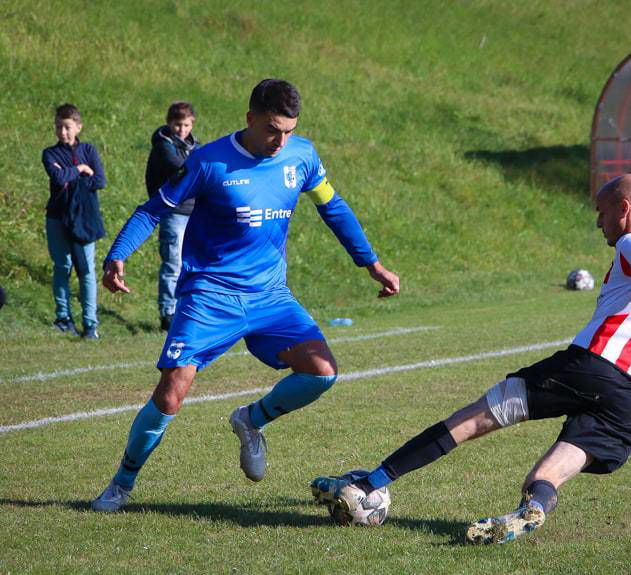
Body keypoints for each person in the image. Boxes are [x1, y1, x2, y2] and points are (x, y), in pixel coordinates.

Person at [311, 174, 631, 545]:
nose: (598, 223)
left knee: (474, 418)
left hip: (591, 368)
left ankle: (370, 483)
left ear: (625, 208)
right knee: (543, 479)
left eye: (602, 213)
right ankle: (532, 511)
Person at [90, 78, 400, 512]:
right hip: (210, 294)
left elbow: (334, 209)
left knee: (323, 372)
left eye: (290, 130)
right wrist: (117, 255)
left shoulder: (302, 156)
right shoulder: (209, 161)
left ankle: (250, 420)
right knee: (172, 391)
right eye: (273, 128)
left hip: (270, 296)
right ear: (250, 118)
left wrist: (372, 264)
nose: (281, 140)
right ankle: (121, 484)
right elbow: (153, 209)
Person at [41, 103, 107, 339]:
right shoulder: (50, 153)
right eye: (59, 127)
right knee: (62, 267)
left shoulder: (89, 150)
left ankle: (90, 324)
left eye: (67, 127)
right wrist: (79, 169)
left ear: (78, 127)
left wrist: (73, 174)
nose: (63, 132)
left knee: (86, 271)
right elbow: (58, 178)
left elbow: (99, 181)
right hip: (58, 217)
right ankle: (63, 317)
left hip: (84, 220)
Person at [145, 101, 201, 330]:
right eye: (178, 125)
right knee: (173, 262)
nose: (182, 130)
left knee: (194, 263)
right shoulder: (163, 145)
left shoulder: (194, 146)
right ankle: (168, 312)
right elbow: (179, 166)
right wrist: (200, 167)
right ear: (169, 124)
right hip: (174, 211)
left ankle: (188, 308)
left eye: (186, 125)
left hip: (195, 211)